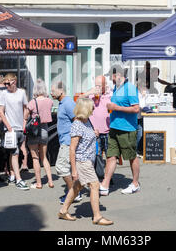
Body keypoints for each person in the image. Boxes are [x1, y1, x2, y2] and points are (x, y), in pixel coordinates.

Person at [58, 98, 113, 226]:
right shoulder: (77, 124)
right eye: (92, 107)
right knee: (95, 185)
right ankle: (97, 217)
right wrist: (74, 170)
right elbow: (72, 149)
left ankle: (63, 210)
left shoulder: (86, 121)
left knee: (77, 186)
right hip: (82, 161)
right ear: (85, 108)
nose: (94, 109)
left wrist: (95, 134)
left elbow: (86, 137)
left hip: (88, 160)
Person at [100, 64, 141, 196]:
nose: (110, 79)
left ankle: (135, 183)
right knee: (111, 156)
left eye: (111, 76)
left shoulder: (130, 88)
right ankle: (105, 185)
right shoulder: (117, 88)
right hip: (114, 127)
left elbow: (136, 109)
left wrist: (116, 108)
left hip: (127, 129)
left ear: (117, 75)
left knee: (131, 157)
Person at [51, 81, 82, 204]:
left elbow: (77, 120)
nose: (51, 93)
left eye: (53, 91)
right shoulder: (62, 103)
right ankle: (74, 191)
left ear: (61, 91)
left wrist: (74, 140)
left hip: (68, 142)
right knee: (68, 169)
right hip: (65, 141)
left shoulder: (68, 103)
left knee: (61, 167)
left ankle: (74, 193)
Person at [0, 73, 29, 190]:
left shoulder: (21, 93)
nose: (6, 85)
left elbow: (26, 107)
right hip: (10, 130)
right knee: (15, 153)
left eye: (7, 83)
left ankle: (12, 175)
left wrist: (25, 122)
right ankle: (19, 179)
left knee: (13, 153)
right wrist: (9, 127)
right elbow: (1, 111)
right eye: (4, 83)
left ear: (14, 82)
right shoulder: (4, 94)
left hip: (20, 128)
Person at [26, 78, 54, 189]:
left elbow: (25, 115)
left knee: (35, 158)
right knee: (44, 157)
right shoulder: (49, 101)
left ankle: (38, 183)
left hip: (34, 131)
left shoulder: (32, 102)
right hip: (44, 130)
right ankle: (50, 181)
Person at [83, 75, 112, 157]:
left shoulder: (111, 94)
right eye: (96, 85)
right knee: (96, 155)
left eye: (99, 86)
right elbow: (78, 101)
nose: (97, 88)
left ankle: (107, 170)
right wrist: (88, 93)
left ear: (105, 85)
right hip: (95, 132)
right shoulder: (91, 95)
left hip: (108, 131)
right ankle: (98, 170)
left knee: (110, 156)